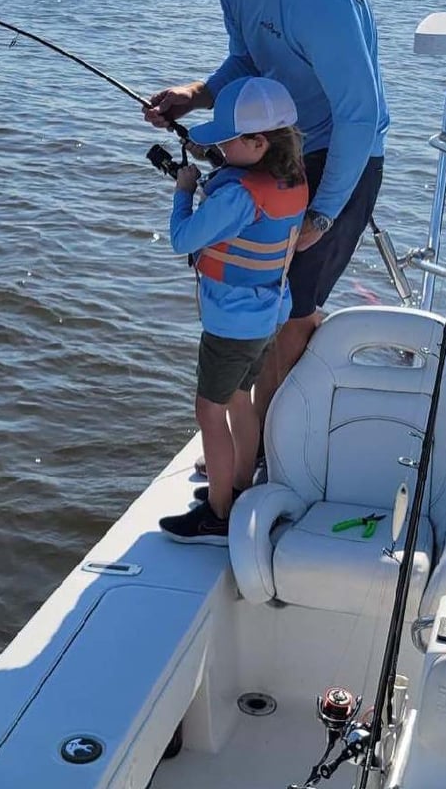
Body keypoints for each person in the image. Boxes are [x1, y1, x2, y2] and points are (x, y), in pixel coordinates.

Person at [145, 0, 389, 436]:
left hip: (341, 155)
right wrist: (195, 94)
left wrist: (324, 213)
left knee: (293, 306)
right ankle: (270, 424)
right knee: (252, 286)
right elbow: (247, 63)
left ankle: (269, 453)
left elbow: (361, 113)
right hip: (277, 148)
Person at [158, 75, 307, 544]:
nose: (217, 143)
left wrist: (184, 189)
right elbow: (241, 174)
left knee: (209, 410)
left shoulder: (238, 196)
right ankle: (241, 484)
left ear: (259, 141)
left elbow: (183, 238)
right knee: (240, 400)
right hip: (268, 316)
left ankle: (218, 514)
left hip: (231, 324)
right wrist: (216, 162)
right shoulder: (291, 178)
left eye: (226, 137)